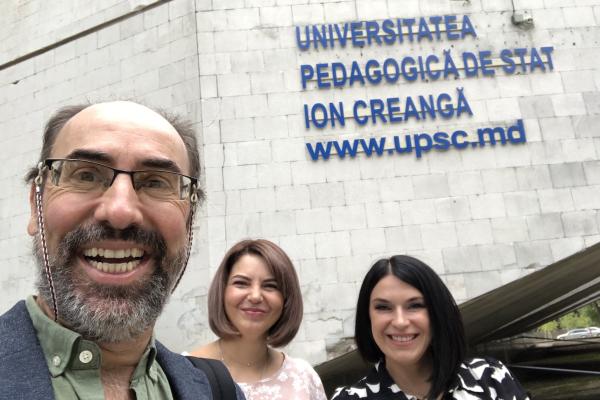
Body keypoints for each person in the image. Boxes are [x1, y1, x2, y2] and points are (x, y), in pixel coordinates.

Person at [0, 101, 244, 400]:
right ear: (35, 207)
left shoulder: (219, 391)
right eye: (86, 175)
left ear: (190, 220)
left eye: (156, 182)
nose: (120, 211)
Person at [331, 255, 530, 400]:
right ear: (368, 318)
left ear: (437, 312)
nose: (400, 322)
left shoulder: (490, 378)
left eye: (415, 305)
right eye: (383, 307)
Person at [190, 239, 327, 400]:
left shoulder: (303, 378)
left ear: (286, 300)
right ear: (222, 291)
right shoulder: (185, 371)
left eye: (270, 286)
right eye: (241, 283)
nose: (255, 296)